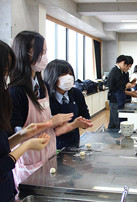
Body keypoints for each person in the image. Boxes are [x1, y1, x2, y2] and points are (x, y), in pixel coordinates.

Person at [9, 31, 89, 186]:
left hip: (50, 157)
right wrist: (50, 123)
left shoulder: (43, 87)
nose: (44, 56)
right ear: (25, 54)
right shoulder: (16, 91)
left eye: (45, 52)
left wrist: (72, 125)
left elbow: (51, 132)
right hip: (30, 164)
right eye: (41, 52)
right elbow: (17, 136)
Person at [0, 40, 52, 202]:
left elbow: (2, 147)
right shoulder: (16, 92)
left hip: (8, 186)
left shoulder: (42, 86)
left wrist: (23, 135)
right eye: (5, 72)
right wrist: (27, 145)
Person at [43, 59, 93, 149]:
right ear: (52, 76)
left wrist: (83, 123)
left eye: (70, 74)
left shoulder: (76, 93)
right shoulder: (45, 97)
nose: (68, 77)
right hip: (52, 146)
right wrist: (72, 125)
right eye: (63, 74)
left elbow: (86, 116)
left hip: (74, 143)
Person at [107, 55, 133, 129]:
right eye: (126, 66)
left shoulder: (115, 70)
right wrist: (126, 86)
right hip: (115, 99)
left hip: (115, 99)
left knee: (112, 122)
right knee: (118, 122)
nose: (127, 68)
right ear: (123, 63)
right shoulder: (117, 71)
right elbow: (121, 87)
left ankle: (112, 137)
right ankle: (118, 139)